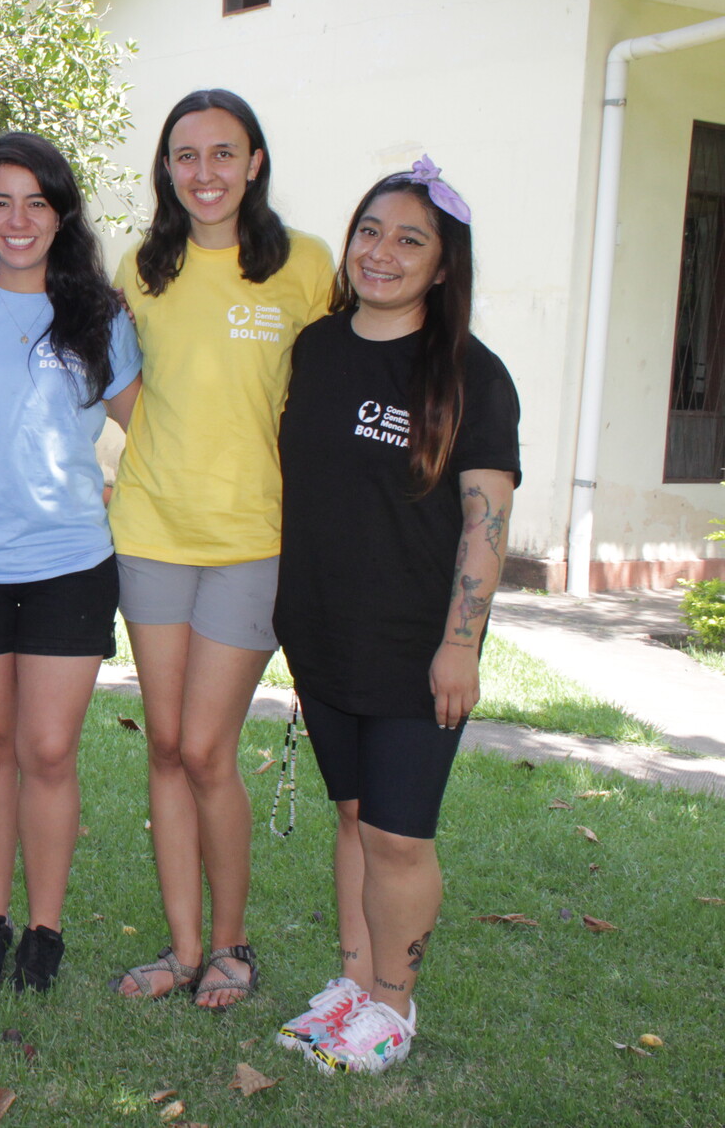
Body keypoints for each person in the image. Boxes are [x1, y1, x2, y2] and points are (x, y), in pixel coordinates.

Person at [272, 159, 518, 1073]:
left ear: (444, 264)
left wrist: (462, 645)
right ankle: (352, 983)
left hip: (420, 648)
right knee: (354, 816)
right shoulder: (318, 348)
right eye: (370, 230)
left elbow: (486, 524)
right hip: (323, 629)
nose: (382, 252)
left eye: (410, 239)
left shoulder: (472, 377)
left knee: (399, 834)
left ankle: (394, 1004)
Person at [107, 89, 332, 1008]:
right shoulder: (140, 268)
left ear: (255, 162)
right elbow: (123, 386)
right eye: (186, 155)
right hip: (152, 531)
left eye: (223, 153)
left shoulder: (306, 266)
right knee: (163, 743)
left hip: (254, 539)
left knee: (206, 746)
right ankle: (184, 946)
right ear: (167, 167)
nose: (204, 173)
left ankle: (235, 944)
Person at [0, 133, 141, 992]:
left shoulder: (100, 316)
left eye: (36, 203)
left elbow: (146, 431)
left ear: (60, 214)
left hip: (68, 560)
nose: (18, 219)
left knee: (47, 749)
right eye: (1, 201)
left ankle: (44, 930)